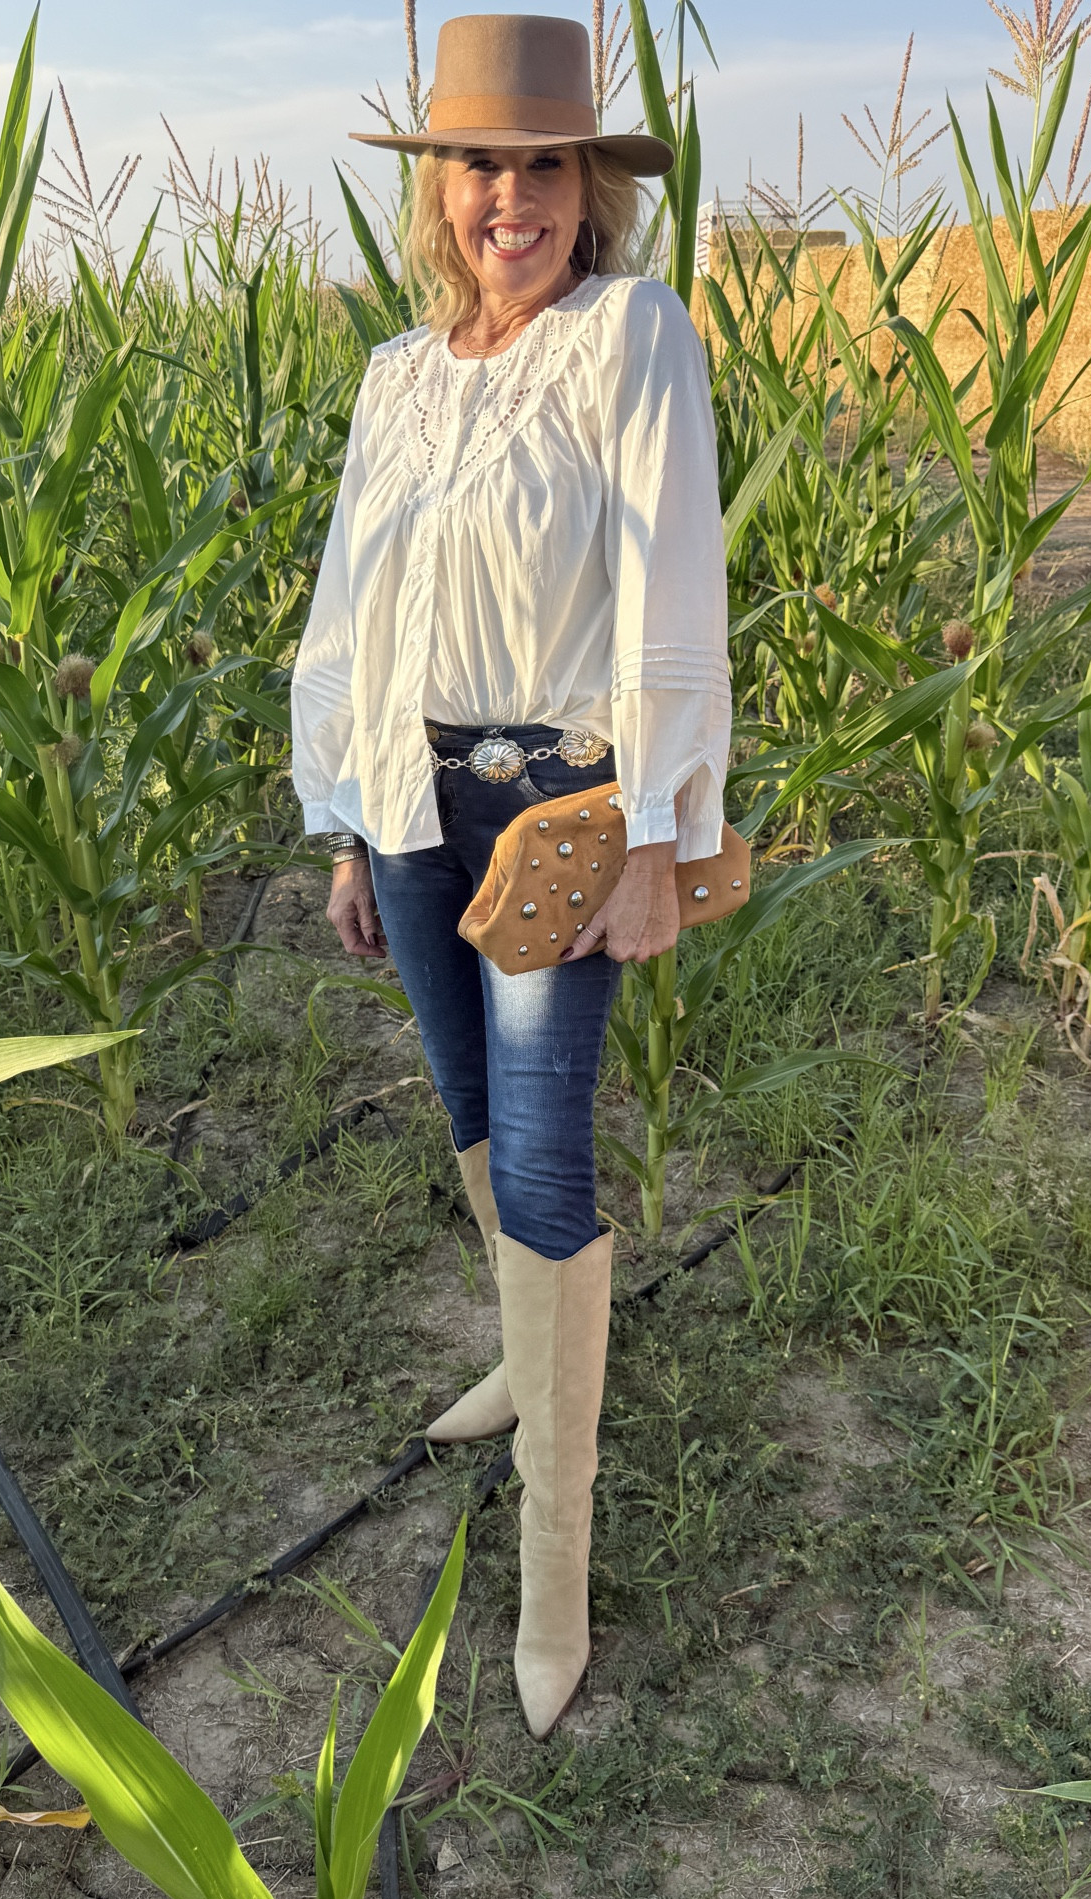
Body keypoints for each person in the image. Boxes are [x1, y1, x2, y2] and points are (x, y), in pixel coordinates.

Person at [290, 13, 729, 1738]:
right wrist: (352, 820)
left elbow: (671, 586)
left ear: (587, 186)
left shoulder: (632, 334)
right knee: (469, 1109)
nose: (513, 198)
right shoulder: (399, 375)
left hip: (562, 802)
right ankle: (520, 1364)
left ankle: (555, 1573)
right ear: (442, 188)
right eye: (483, 164)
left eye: (545, 165)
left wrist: (655, 833)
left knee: (546, 1159)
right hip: (413, 795)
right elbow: (356, 604)